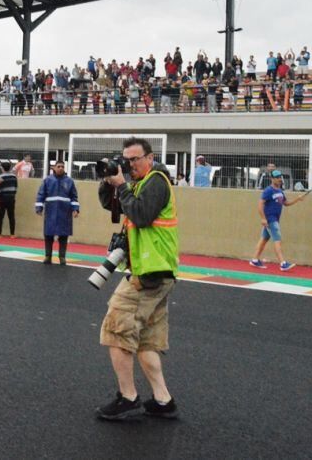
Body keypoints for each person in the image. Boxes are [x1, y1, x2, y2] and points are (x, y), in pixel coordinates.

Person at [96, 137, 179, 421]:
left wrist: (121, 185)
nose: (129, 164)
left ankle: (128, 397)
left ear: (150, 158)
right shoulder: (140, 184)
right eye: (126, 159)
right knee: (146, 340)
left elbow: (141, 215)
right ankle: (163, 400)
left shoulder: (156, 181)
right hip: (156, 271)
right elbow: (112, 205)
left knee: (116, 328)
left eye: (135, 159)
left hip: (148, 273)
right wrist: (109, 181)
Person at [249, 169, 306, 272]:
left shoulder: (280, 191)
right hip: (271, 220)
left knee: (264, 239)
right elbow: (260, 204)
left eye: (280, 177)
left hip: (274, 219)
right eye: (277, 177)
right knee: (277, 240)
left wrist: (297, 199)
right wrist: (263, 218)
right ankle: (283, 263)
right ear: (272, 179)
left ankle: (254, 260)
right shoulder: (268, 191)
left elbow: (286, 203)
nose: (279, 179)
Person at [35, 161, 79, 264]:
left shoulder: (69, 181)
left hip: (65, 212)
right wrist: (39, 208)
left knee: (63, 236)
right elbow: (41, 194)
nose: (60, 168)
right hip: (51, 211)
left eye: (62, 166)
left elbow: (74, 196)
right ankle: (48, 256)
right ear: (54, 168)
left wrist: (75, 209)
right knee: (48, 235)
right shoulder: (47, 180)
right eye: (58, 166)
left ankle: (62, 257)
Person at [0, 161, 18, 238]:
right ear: (10, 168)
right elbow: (15, 188)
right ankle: (12, 234)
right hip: (11, 198)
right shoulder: (14, 177)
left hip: (2, 199)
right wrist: (13, 195)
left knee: (0, 217)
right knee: (11, 216)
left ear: (2, 168)